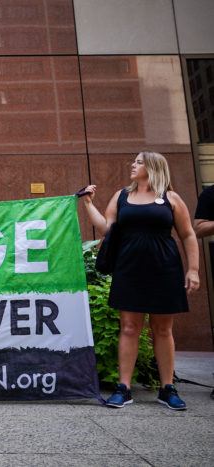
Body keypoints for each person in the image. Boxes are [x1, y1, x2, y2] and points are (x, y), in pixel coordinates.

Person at [81, 151, 199, 410]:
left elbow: (188, 235)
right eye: (133, 162)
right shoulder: (121, 196)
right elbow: (106, 230)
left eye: (138, 162)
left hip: (164, 269)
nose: (132, 165)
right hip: (129, 268)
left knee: (162, 329)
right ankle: (123, 388)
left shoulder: (171, 198)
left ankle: (167, 388)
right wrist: (89, 204)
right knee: (129, 328)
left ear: (154, 167)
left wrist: (194, 270)